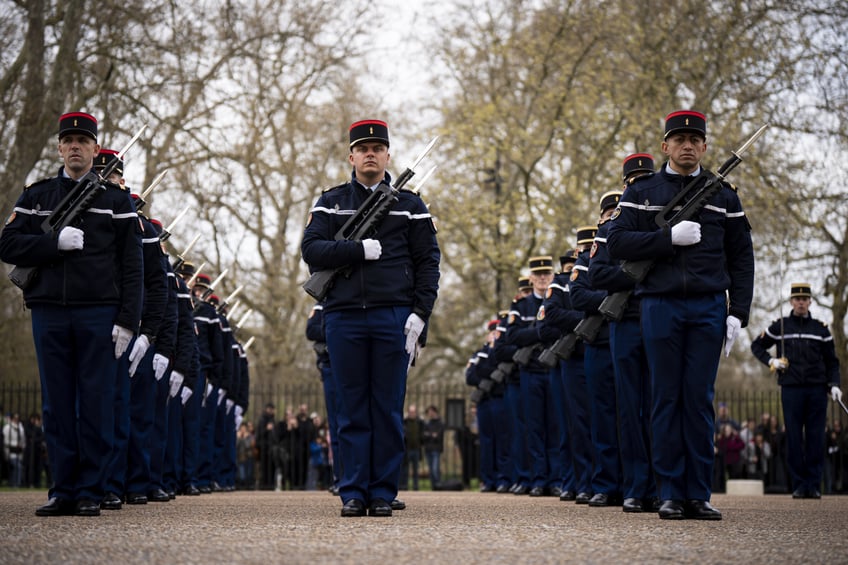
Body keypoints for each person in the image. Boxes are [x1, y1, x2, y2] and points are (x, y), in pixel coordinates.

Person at [607, 110, 755, 520]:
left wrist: (737, 313)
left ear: (705, 147)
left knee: (699, 401)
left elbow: (742, 258)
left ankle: (698, 493)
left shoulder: (724, 195)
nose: (687, 145)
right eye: (679, 139)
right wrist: (665, 238)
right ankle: (670, 491)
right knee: (665, 399)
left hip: (708, 305)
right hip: (660, 303)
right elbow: (616, 243)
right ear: (665, 146)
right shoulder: (643, 191)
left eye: (695, 139)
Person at [0, 112, 143, 516]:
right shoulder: (37, 195)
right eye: (69, 140)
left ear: (96, 150)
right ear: (60, 148)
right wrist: (52, 244)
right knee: (56, 404)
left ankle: (90, 491)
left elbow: (133, 267)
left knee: (95, 403)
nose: (76, 146)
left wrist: (128, 321)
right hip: (49, 311)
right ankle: (62, 489)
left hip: (98, 313)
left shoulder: (116, 201)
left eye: (83, 140)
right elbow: (7, 244)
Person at [301, 119, 440, 517]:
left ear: (387, 156)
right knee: (351, 408)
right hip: (343, 316)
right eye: (363, 148)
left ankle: (381, 491)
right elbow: (312, 251)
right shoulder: (329, 201)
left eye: (378, 148)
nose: (370, 154)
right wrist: (358, 251)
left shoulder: (411, 205)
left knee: (387, 408)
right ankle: (353, 492)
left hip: (392, 316)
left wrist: (420, 314)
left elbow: (428, 263)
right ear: (351, 156)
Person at [750, 282, 842, 499]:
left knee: (816, 437)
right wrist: (771, 360)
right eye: (797, 299)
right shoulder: (780, 327)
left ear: (810, 301)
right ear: (791, 301)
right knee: (793, 436)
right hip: (791, 389)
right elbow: (756, 346)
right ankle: (799, 484)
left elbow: (832, 361)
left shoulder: (821, 329)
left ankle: (813, 484)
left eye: (804, 299)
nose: (801, 303)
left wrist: (835, 384)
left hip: (817, 389)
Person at [401, 405, 424, 491]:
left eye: (413, 412)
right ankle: (404, 485)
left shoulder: (420, 422)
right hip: (407, 449)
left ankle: (415, 486)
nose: (412, 414)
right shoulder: (405, 422)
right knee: (405, 469)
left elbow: (422, 434)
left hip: (416, 449)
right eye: (410, 412)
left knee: (415, 469)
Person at [422, 405, 445, 487]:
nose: (429, 414)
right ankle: (433, 486)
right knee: (431, 470)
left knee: (435, 469)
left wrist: (429, 435)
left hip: (436, 449)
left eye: (431, 411)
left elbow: (438, 436)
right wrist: (432, 435)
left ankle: (438, 484)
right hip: (428, 448)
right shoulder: (427, 423)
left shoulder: (440, 423)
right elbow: (424, 435)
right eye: (428, 412)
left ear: (435, 411)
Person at [2, 413, 26, 487]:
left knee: (18, 467)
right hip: (10, 451)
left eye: (17, 418)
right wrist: (14, 445)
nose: (16, 420)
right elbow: (5, 441)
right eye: (15, 418)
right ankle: (15, 484)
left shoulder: (21, 428)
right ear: (12, 419)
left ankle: (15, 483)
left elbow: (23, 440)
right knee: (17, 467)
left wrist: (21, 446)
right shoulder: (7, 427)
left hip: (19, 452)